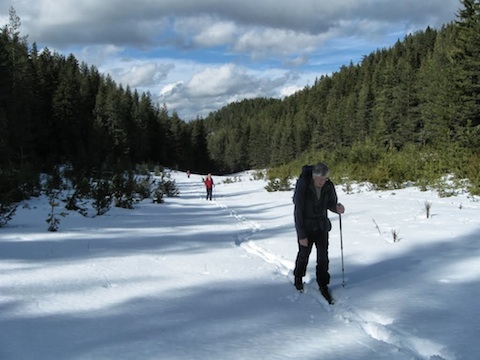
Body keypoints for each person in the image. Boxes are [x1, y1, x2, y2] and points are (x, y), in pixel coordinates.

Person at [293, 162, 345, 303]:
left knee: (323, 257)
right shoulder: (303, 184)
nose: (323, 182)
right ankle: (298, 278)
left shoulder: (328, 185)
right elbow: (298, 211)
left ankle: (323, 284)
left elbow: (331, 203)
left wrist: (337, 208)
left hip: (321, 226)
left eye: (325, 179)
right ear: (314, 177)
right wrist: (301, 235)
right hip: (306, 226)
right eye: (320, 179)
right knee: (304, 254)